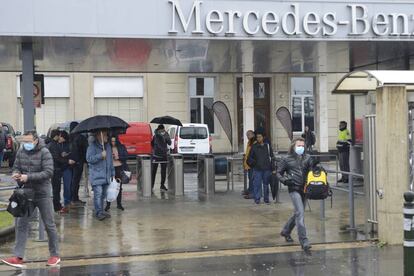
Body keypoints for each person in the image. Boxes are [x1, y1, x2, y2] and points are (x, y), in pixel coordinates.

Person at [1, 130, 60, 268]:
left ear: (35, 140)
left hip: (43, 193)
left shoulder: (45, 152)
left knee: (49, 224)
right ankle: (18, 256)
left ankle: (55, 255)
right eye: (24, 141)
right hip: (26, 194)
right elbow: (15, 167)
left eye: (28, 141)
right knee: (21, 224)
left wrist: (28, 177)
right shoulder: (21, 152)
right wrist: (16, 174)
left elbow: (48, 172)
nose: (26, 144)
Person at [277, 137, 314, 254]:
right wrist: (284, 180)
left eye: (303, 146)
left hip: (305, 189)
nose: (301, 148)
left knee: (298, 212)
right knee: (300, 214)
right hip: (293, 189)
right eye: (299, 146)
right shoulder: (286, 159)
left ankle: (286, 231)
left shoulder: (308, 158)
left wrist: (317, 169)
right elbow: (278, 173)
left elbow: (313, 170)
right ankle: (304, 241)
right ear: (293, 146)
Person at [86, 131, 115, 221]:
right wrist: (100, 155)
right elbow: (89, 159)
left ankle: (101, 211)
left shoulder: (108, 147)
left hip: (106, 175)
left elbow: (110, 161)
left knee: (103, 195)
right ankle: (98, 212)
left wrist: (112, 173)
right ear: (99, 136)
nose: (107, 136)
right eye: (106, 135)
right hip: (96, 176)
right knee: (98, 195)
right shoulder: (92, 147)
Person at [247, 129, 274, 204]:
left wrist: (273, 168)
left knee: (266, 185)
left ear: (263, 137)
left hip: (267, 169)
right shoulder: (254, 147)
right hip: (257, 169)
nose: (258, 138)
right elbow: (249, 158)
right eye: (257, 137)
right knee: (257, 185)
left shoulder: (267, 146)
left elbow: (272, 157)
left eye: (260, 137)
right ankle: (257, 199)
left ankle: (266, 199)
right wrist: (254, 164)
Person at [105, 136, 128, 211]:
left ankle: (119, 204)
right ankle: (108, 205)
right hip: (111, 169)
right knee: (110, 187)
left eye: (114, 141)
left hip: (119, 168)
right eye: (112, 141)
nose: (113, 143)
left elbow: (126, 156)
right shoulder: (107, 147)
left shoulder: (121, 147)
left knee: (119, 187)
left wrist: (118, 157)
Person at [47, 129, 67, 213]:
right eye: (59, 135)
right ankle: (57, 206)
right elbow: (56, 158)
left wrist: (61, 154)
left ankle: (57, 205)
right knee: (56, 189)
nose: (60, 137)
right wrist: (65, 160)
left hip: (54, 169)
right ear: (56, 136)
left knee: (56, 188)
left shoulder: (51, 144)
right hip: (55, 169)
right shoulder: (53, 145)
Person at [69, 122, 88, 205]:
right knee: (76, 181)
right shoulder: (81, 138)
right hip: (78, 162)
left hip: (68, 162)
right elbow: (85, 150)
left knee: (71, 181)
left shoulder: (68, 137)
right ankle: (75, 198)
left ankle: (71, 198)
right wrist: (85, 161)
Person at [151, 124, 171, 192]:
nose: (163, 131)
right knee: (154, 171)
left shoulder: (165, 135)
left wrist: (166, 136)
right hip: (157, 155)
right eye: (162, 130)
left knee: (163, 171)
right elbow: (152, 144)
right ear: (159, 129)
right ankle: (152, 185)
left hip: (161, 155)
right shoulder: (155, 136)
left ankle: (161, 185)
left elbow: (170, 143)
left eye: (163, 130)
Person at [58, 131, 75, 211]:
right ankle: (58, 202)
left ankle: (66, 202)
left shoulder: (69, 145)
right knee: (57, 187)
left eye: (60, 136)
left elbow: (72, 155)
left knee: (67, 186)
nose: (59, 138)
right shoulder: (56, 145)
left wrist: (67, 156)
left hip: (67, 168)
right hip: (59, 168)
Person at [243, 130, 256, 199]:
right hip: (248, 164)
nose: (247, 137)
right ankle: (250, 190)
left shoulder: (254, 142)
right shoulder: (250, 142)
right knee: (250, 178)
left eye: (248, 135)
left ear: (252, 135)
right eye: (247, 135)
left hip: (252, 164)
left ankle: (252, 193)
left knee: (252, 179)